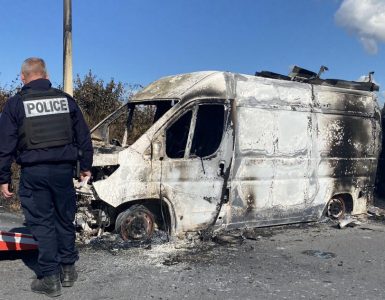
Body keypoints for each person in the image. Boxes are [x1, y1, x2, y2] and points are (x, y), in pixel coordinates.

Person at [0, 57, 93, 297]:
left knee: (42, 223)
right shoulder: (66, 100)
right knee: (64, 217)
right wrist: (86, 166)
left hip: (35, 173)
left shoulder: (15, 104)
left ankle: (50, 278)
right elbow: (83, 135)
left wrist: (3, 177)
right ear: (46, 74)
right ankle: (68, 270)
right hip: (63, 171)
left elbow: (5, 145)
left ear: (23, 77)